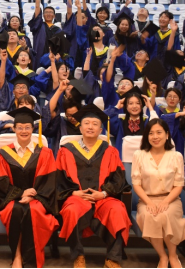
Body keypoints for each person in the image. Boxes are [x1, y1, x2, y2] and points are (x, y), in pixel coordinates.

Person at [56, 105, 131, 268]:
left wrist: (103, 194)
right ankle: (78, 256)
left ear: (101, 129)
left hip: (103, 198)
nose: (90, 127)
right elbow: (58, 179)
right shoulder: (66, 151)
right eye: (87, 123)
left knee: (118, 210)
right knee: (71, 210)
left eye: (95, 124)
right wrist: (73, 193)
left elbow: (119, 179)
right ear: (80, 127)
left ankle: (112, 258)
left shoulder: (110, 151)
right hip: (77, 197)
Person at [0, 107, 58, 268]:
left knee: (33, 211)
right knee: (15, 210)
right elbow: (0, 181)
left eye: (27, 127)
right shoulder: (1, 154)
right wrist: (21, 193)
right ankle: (17, 255)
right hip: (10, 197)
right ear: (14, 129)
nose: (24, 131)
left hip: (38, 197)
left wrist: (32, 195)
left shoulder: (45, 153)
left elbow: (49, 181)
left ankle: (28, 260)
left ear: (33, 129)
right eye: (20, 127)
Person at [131, 118, 185, 269]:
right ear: (146, 136)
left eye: (159, 132)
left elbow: (179, 185)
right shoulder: (139, 155)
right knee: (151, 216)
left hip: (171, 199)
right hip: (147, 199)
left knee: (166, 215)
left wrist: (165, 202)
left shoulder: (176, 156)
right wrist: (149, 203)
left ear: (167, 134)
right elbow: (136, 184)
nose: (155, 137)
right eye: (151, 133)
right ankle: (163, 256)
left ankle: (173, 255)